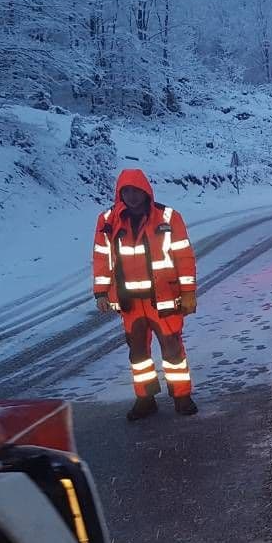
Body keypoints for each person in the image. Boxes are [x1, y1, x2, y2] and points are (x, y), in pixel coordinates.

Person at [91, 169, 198, 420]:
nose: (132, 196)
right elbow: (101, 258)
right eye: (126, 191)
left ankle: (182, 397)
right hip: (129, 303)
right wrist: (100, 293)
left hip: (163, 299)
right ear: (120, 194)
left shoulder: (168, 217)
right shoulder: (107, 220)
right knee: (138, 355)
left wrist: (189, 292)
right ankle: (145, 398)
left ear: (146, 191)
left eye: (136, 191)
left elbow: (183, 256)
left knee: (173, 351)